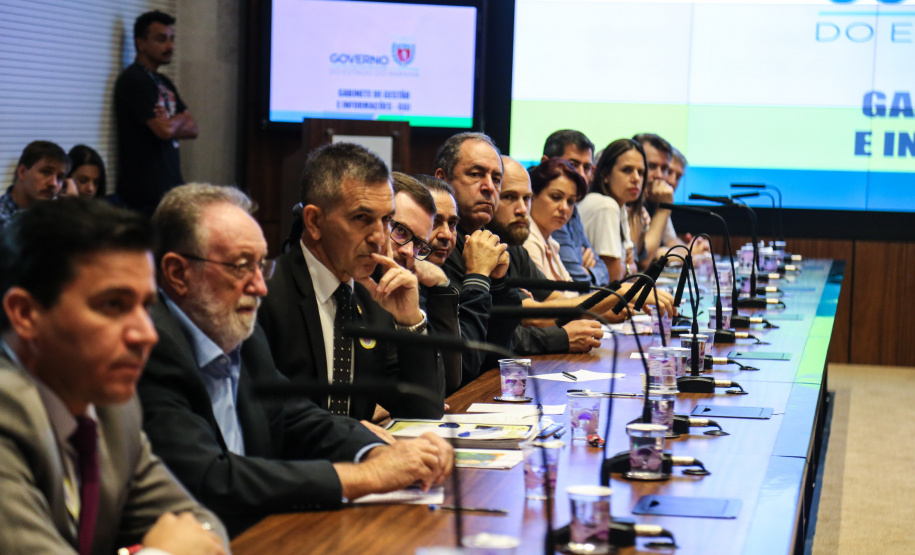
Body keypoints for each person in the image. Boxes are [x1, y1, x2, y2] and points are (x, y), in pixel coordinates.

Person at [138, 183, 454, 537]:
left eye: (261, 266)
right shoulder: (148, 348)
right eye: (241, 267)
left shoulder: (235, 329)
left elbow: (295, 417)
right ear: (178, 273)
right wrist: (367, 475)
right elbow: (211, 478)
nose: (259, 286)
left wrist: (374, 452)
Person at [0, 196, 227, 555]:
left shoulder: (112, 409)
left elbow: (201, 529)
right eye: (113, 305)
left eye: (146, 306)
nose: (147, 334)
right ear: (25, 314)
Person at [259, 143, 444, 421]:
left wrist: (411, 322)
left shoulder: (375, 300)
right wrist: (355, 436)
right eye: (361, 218)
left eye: (386, 220)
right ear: (314, 221)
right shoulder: (265, 294)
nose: (379, 238)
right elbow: (270, 415)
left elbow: (424, 410)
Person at [415, 174, 517, 391]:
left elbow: (495, 354)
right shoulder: (408, 282)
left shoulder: (439, 273)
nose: (446, 235)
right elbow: (463, 368)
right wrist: (478, 277)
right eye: (435, 222)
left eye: (452, 223)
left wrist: (498, 284)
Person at [114, 10, 198, 217]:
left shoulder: (165, 82)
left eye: (171, 39)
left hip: (172, 190)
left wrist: (172, 121)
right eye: (161, 39)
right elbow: (163, 130)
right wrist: (177, 120)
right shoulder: (133, 80)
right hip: (144, 195)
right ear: (141, 43)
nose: (170, 46)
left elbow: (193, 128)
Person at [541, 130, 610, 286]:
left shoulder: (572, 206)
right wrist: (584, 270)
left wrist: (587, 271)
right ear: (546, 163)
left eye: (586, 168)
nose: (581, 175)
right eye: (572, 165)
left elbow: (603, 270)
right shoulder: (545, 206)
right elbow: (574, 281)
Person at [578, 139, 646, 281]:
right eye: (627, 170)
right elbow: (614, 277)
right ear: (605, 174)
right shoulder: (606, 206)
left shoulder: (619, 205)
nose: (636, 178)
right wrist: (628, 267)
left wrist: (626, 267)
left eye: (640, 172)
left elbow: (632, 265)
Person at [523, 157, 589, 296]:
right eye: (555, 197)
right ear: (532, 196)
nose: (564, 208)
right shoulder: (527, 238)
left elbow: (573, 296)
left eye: (571, 201)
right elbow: (546, 303)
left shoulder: (550, 242)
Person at [0, 140, 69, 231]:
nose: (53, 183)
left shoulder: (49, 214)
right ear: (22, 172)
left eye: (59, 177)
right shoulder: (3, 217)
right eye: (46, 172)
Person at [630, 133, 675, 267]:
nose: (660, 176)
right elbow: (643, 260)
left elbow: (675, 245)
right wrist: (664, 209)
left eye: (664, 168)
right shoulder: (627, 199)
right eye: (652, 166)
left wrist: (661, 252)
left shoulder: (653, 198)